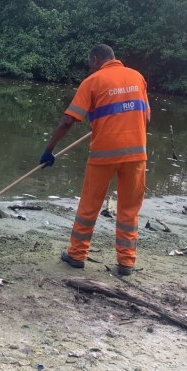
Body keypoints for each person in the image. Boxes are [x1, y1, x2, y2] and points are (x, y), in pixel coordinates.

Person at [40, 44, 150, 276]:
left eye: (90, 62)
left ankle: (77, 255)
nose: (89, 67)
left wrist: (49, 150)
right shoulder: (137, 77)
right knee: (129, 210)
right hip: (136, 155)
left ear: (95, 59)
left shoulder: (93, 81)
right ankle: (126, 262)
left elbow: (68, 121)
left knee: (89, 206)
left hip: (104, 155)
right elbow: (145, 116)